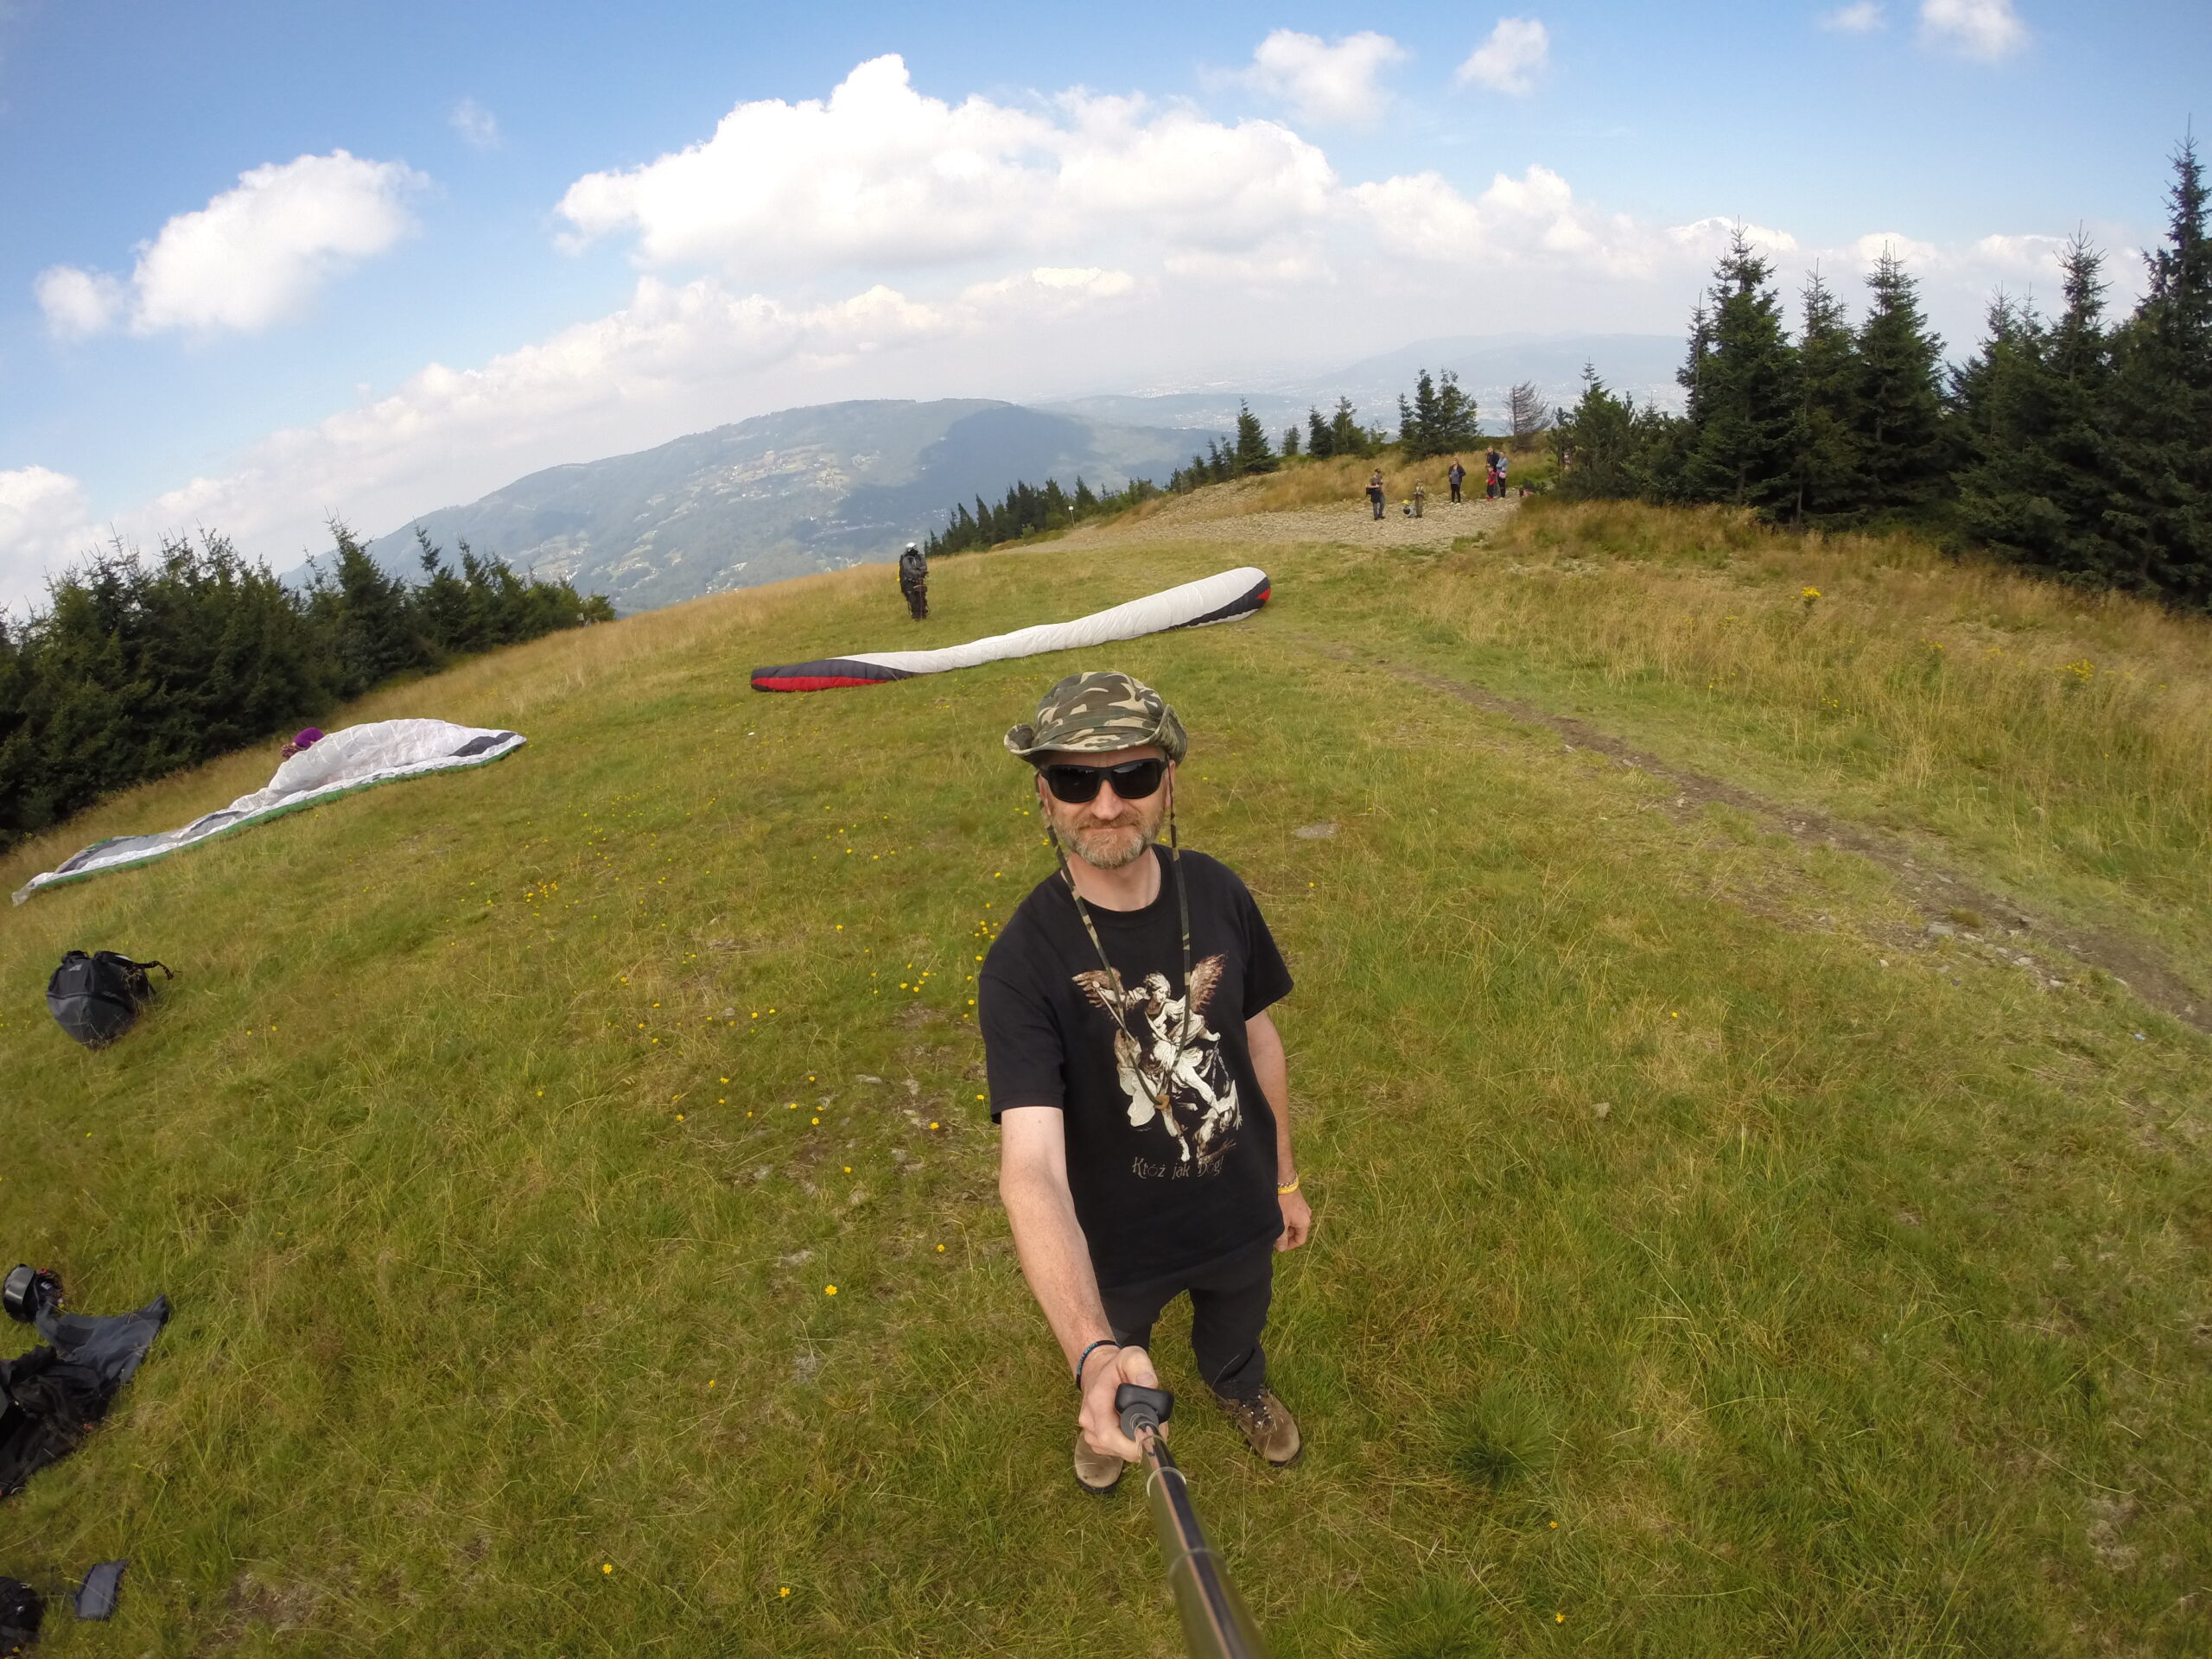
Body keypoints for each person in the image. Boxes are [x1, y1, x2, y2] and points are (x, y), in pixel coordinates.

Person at [983, 671, 1313, 1497]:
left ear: (1170, 781)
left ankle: (1237, 1386)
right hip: (1116, 1243)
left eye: (1132, 774)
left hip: (1239, 1207)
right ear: (1044, 795)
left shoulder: (1219, 890)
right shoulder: (1022, 962)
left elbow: (1258, 1038)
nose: (1106, 805)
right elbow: (1031, 1167)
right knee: (1117, 1346)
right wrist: (1092, 1350)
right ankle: (1108, 1411)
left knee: (1239, 1325)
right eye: (1074, 779)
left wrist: (1285, 1179)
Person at [898, 543, 929, 621]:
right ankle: (916, 615)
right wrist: (919, 572)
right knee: (913, 599)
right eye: (914, 548)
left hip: (919, 580)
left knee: (921, 596)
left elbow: (924, 566)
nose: (916, 549)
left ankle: (923, 613)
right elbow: (909, 570)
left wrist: (920, 572)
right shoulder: (905, 559)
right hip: (908, 582)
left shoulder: (920, 557)